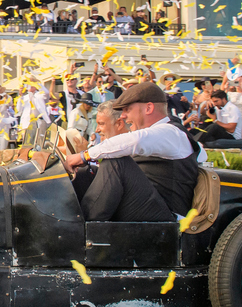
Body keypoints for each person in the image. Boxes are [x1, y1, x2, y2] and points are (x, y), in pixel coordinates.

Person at [62, 83, 199, 222]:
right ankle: (64, 217)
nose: (123, 116)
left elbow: (134, 141)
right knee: (86, 172)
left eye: (127, 110)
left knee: (116, 163)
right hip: (147, 205)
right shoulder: (163, 135)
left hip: (165, 216)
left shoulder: (171, 132)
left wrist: (82, 156)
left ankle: (80, 230)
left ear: (149, 108)